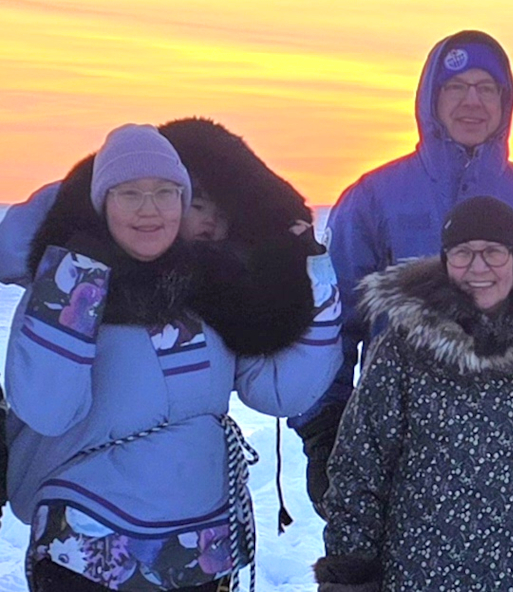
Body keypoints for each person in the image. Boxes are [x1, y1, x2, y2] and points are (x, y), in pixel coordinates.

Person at [6, 124, 342, 591]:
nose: (150, 209)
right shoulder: (72, 279)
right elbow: (45, 405)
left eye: (166, 193)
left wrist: (309, 269)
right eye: (130, 193)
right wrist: (72, 282)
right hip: (88, 549)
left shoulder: (214, 290)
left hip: (197, 550)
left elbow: (280, 391)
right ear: (104, 201)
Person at [293, 29, 513, 514]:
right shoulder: (373, 199)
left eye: (486, 88)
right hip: (399, 452)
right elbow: (333, 325)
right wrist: (325, 430)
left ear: (506, 101)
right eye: (456, 87)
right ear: (431, 98)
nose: (472, 101)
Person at [316, 196, 513, 592]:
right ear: (445, 260)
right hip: (418, 578)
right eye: (462, 253)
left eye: (493, 252)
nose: (478, 267)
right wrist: (350, 572)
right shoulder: (402, 351)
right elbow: (361, 466)